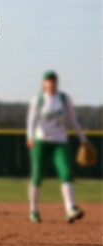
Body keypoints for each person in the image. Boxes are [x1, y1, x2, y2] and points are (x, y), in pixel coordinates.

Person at [26, 70, 87, 223]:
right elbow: (32, 120)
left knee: (66, 172)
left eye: (53, 80)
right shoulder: (39, 99)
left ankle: (70, 208)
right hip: (42, 141)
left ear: (57, 82)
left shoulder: (64, 99)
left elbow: (73, 120)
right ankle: (33, 210)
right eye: (48, 80)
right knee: (37, 175)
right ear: (44, 83)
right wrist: (30, 137)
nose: (51, 83)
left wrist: (83, 139)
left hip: (60, 141)